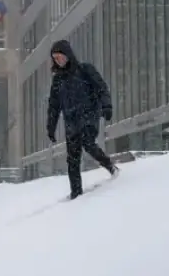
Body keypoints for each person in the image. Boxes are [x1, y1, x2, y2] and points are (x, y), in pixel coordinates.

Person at [47, 39, 118, 200]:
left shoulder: (85, 70)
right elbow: (53, 106)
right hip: (71, 122)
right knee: (72, 158)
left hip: (89, 115)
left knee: (88, 143)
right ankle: (76, 193)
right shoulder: (58, 81)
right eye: (55, 58)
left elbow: (101, 88)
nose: (58, 61)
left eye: (60, 57)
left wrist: (107, 106)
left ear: (68, 55)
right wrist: (50, 127)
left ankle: (110, 166)